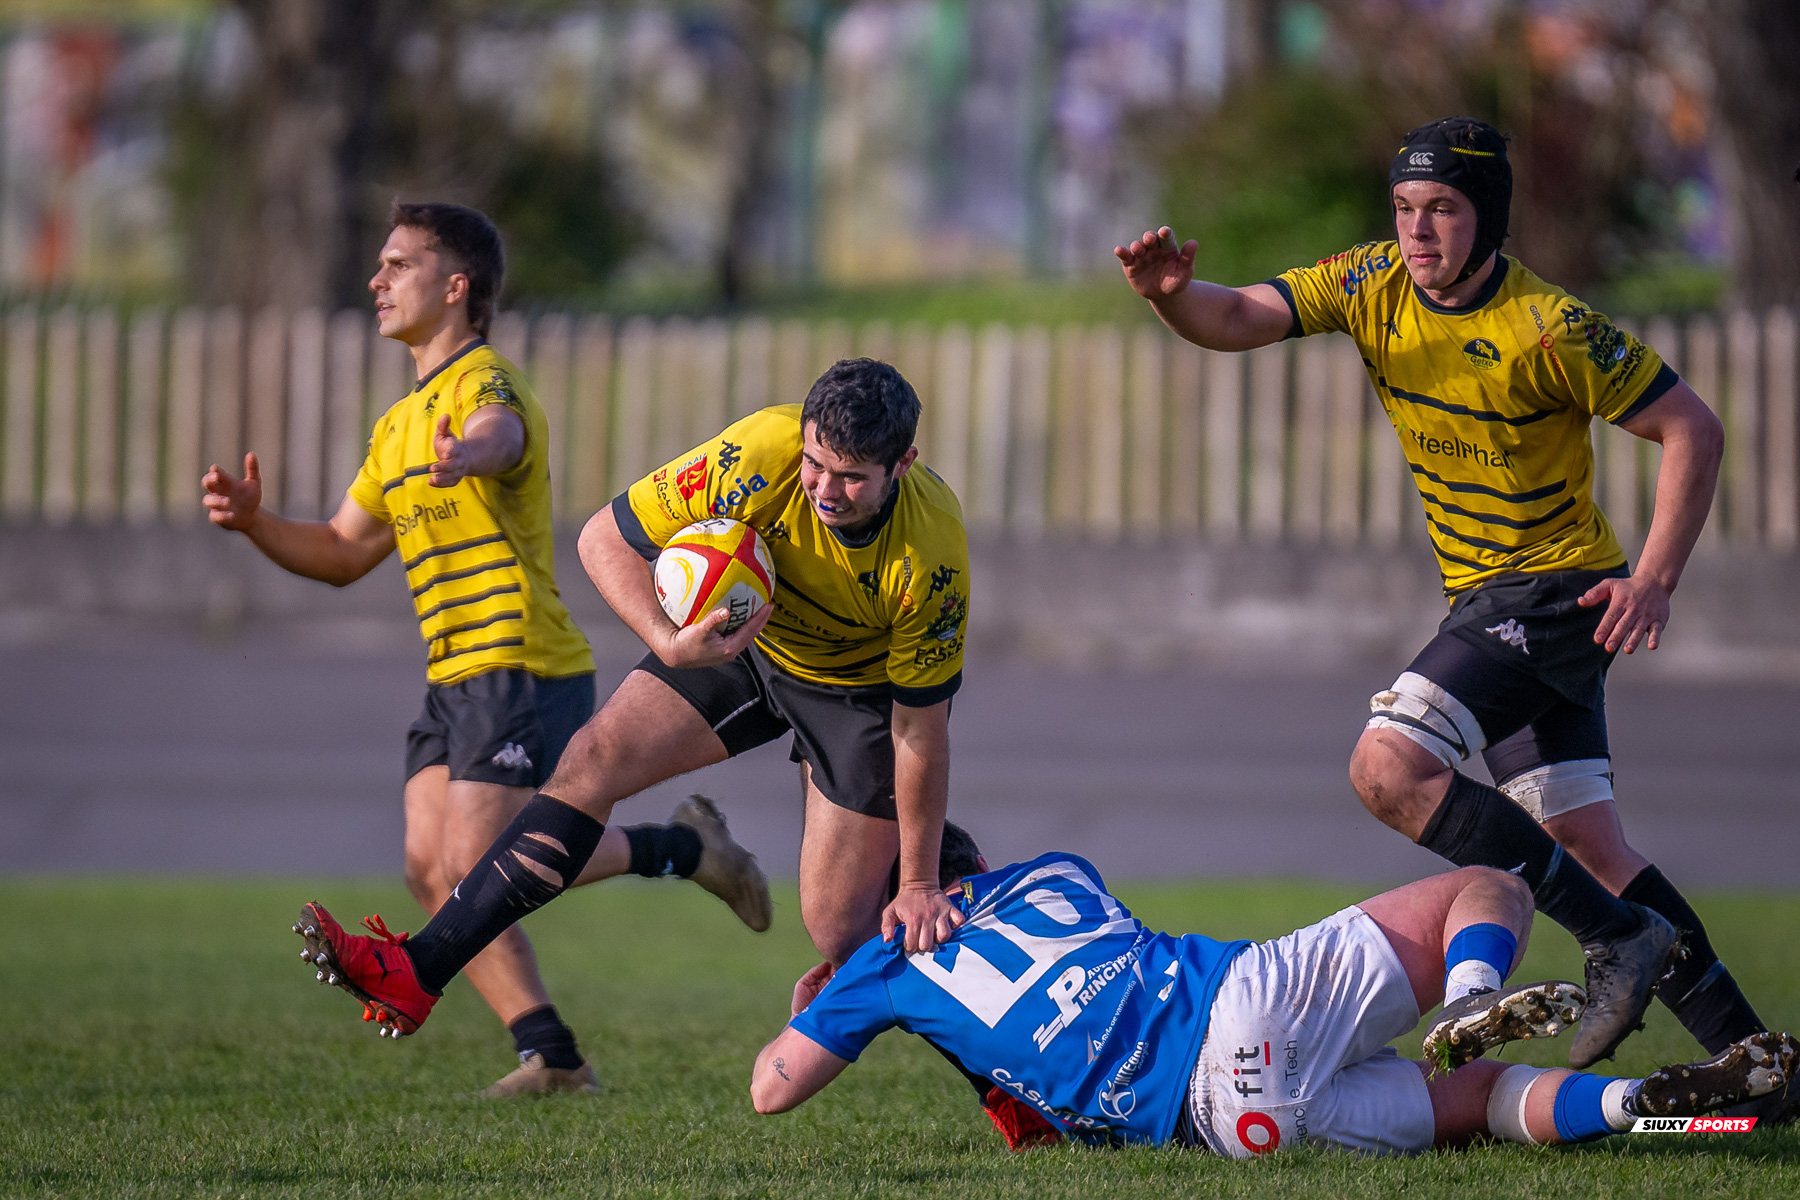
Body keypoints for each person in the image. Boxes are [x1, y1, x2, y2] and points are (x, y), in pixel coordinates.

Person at [1114, 117, 1775, 1093]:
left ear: (1488, 218)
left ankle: (1617, 941)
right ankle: (1758, 1054)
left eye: (1444, 211)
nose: (1419, 231)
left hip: (1549, 592)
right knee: (1588, 843)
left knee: (1388, 767)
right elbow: (1238, 318)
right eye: (1406, 208)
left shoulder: (1550, 325)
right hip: (1506, 603)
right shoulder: (1369, 281)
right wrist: (1172, 297)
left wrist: (1657, 579)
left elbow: (1693, 428)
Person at [204, 201, 746, 1096]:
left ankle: (672, 864)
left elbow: (507, 436)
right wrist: (259, 525)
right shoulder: (397, 426)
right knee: (429, 870)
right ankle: (556, 1049)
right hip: (452, 678)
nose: (376, 281)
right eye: (378, 266)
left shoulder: (483, 387)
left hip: (523, 665)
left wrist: (474, 455)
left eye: (397, 265)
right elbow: (342, 552)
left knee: (473, 866)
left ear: (455, 288)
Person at [291, 357, 972, 1044]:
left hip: (854, 692)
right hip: (738, 642)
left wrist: (916, 882)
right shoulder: (758, 455)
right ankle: (418, 968)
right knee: (593, 758)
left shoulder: (931, 554)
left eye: (852, 476)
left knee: (841, 931)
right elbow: (603, 538)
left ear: (903, 464)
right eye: (817, 464)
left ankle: (958, 890)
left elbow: (920, 727)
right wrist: (667, 642)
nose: (826, 489)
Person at [750, 825, 1796, 1155]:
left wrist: (828, 996)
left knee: (1473, 1110)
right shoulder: (1057, 871)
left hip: (1232, 1122)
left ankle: (1640, 1108)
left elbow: (771, 1089)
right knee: (1487, 885)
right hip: (1240, 1002)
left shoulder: (879, 968)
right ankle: (1470, 992)